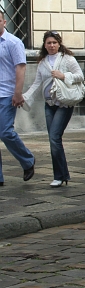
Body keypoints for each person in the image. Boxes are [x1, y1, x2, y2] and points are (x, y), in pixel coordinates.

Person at [23, 31, 84, 188]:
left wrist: (63, 75)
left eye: (54, 43)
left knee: (54, 138)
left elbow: (80, 76)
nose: (51, 46)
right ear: (44, 45)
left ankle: (60, 176)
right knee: (54, 140)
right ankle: (62, 175)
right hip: (49, 104)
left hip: (64, 103)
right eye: (49, 43)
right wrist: (24, 97)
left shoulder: (67, 59)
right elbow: (37, 83)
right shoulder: (42, 62)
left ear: (59, 44)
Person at [0, 11, 36, 186]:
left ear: (4, 22)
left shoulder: (13, 43)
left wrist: (18, 92)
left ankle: (28, 160)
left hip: (7, 94)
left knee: (5, 132)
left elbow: (20, 68)